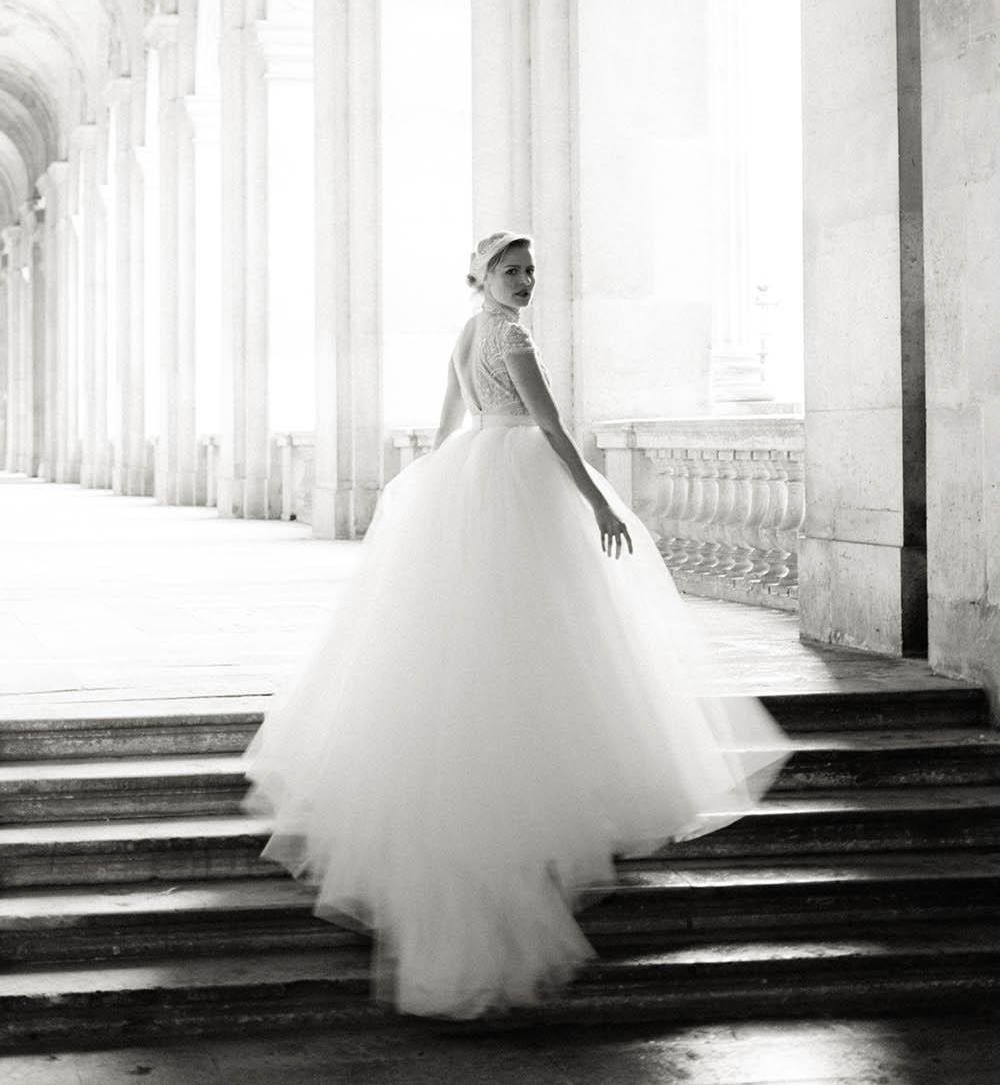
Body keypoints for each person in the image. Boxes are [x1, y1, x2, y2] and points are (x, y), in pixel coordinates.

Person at [245, 230, 788, 1019]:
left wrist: (426, 499)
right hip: (521, 479)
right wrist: (600, 501)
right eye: (512, 270)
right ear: (482, 275)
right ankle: (534, 828)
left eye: (530, 271)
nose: (526, 281)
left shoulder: (467, 334)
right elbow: (554, 428)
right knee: (548, 646)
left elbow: (444, 430)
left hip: (469, 477)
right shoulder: (511, 336)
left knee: (473, 648)